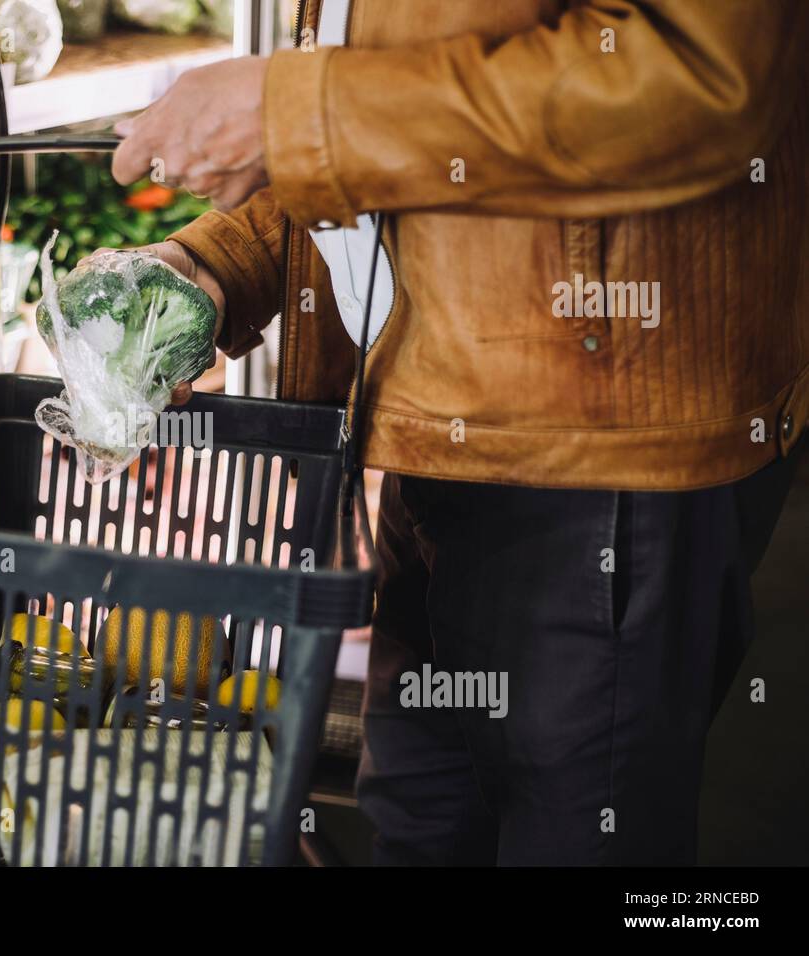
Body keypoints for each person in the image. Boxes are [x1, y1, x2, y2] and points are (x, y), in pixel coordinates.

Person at [107, 0, 809, 865]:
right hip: (434, 434)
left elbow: (699, 77)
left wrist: (294, 111)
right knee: (425, 822)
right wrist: (220, 265)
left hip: (595, 454)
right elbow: (423, 123)